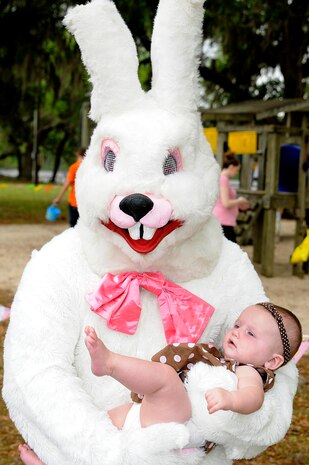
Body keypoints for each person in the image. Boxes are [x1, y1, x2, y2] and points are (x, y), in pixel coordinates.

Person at [18, 302, 302, 465]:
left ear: (273, 361)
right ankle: (55, 461)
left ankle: (109, 363)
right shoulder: (219, 357)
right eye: (238, 325)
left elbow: (253, 398)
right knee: (100, 430)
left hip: (181, 427)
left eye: (250, 333)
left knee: (165, 379)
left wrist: (230, 400)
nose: (237, 332)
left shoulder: (251, 371)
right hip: (157, 415)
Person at [213, 148, 250, 242]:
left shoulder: (220, 178)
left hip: (224, 221)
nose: (236, 173)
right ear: (231, 167)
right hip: (223, 221)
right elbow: (226, 203)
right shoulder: (223, 179)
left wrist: (238, 204)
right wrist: (240, 200)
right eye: (237, 170)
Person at [53, 147, 86, 227]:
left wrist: (58, 198)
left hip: (75, 202)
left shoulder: (74, 167)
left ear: (78, 154)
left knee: (73, 227)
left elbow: (66, 185)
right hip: (86, 203)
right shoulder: (90, 168)